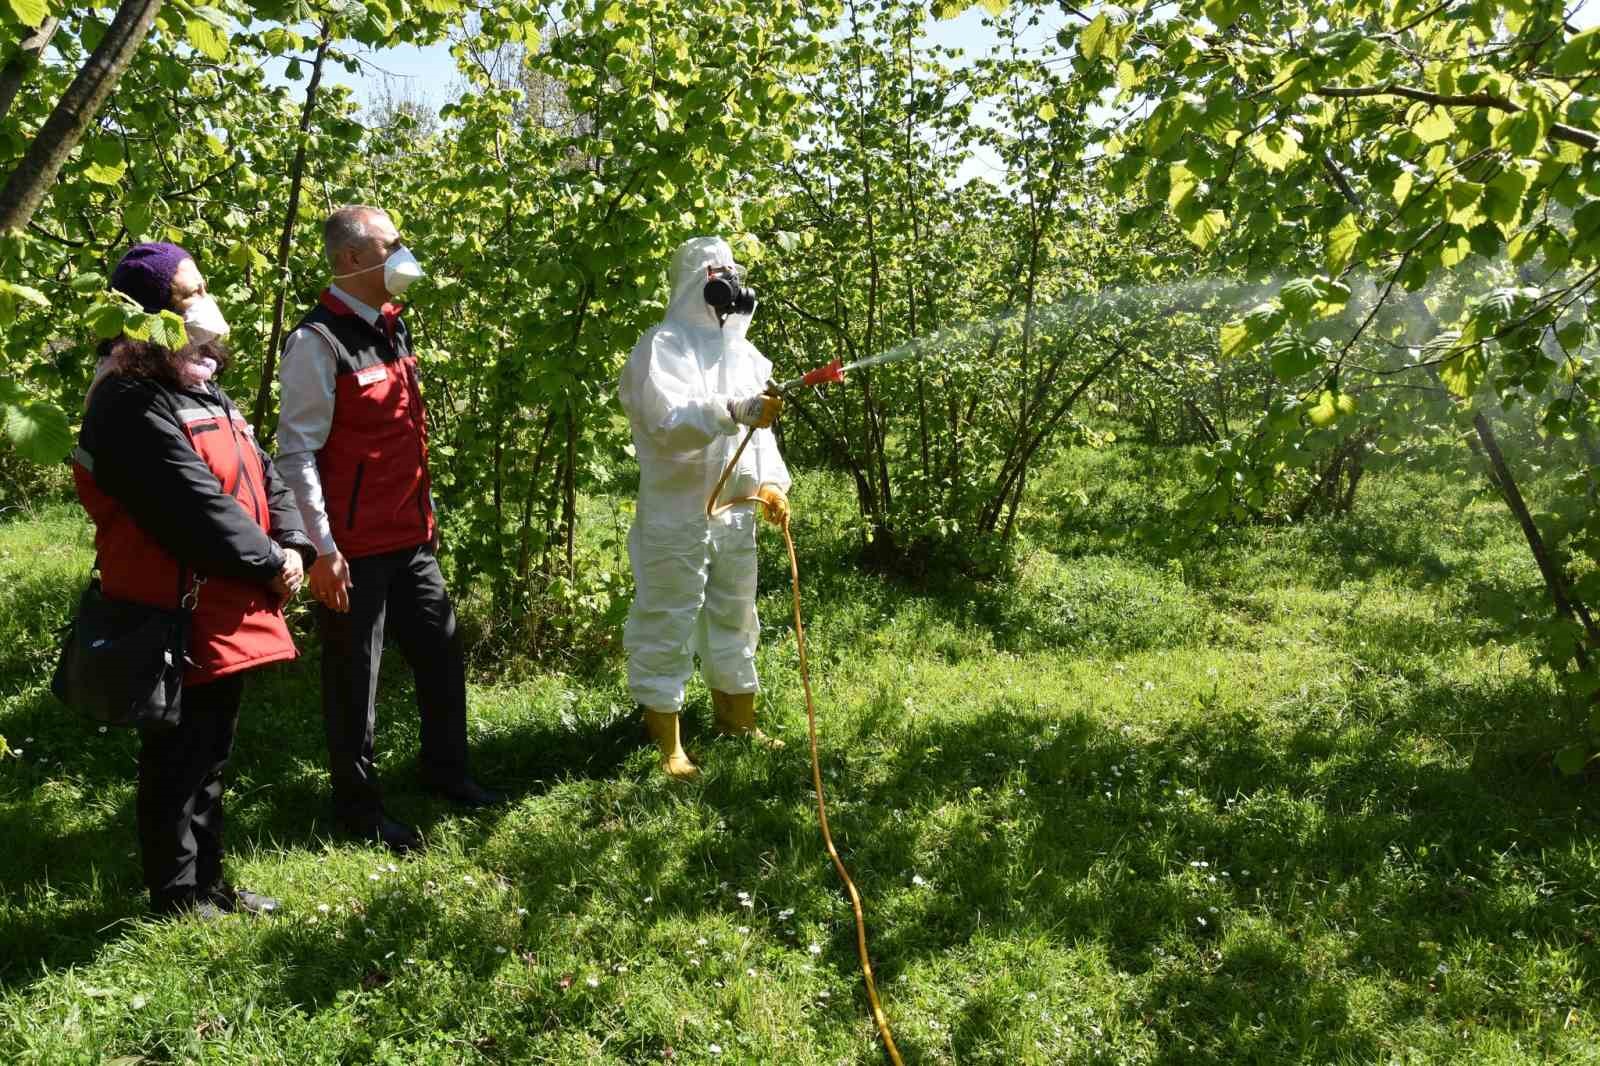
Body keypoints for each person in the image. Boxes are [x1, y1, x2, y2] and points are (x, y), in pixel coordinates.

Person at [72, 242, 315, 918]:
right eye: (189, 292)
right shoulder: (128, 398)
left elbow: (260, 468)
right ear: (149, 310)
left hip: (223, 600)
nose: (206, 301)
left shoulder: (196, 378)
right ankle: (177, 896)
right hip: (171, 610)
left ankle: (209, 883)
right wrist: (271, 562)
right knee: (178, 757)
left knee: (210, 751)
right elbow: (193, 507)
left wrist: (294, 542)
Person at [275, 205, 500, 853]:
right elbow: (297, 453)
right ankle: (359, 809)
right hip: (353, 549)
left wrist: (424, 520)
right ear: (352, 259)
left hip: (410, 536)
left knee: (441, 652)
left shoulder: (391, 326)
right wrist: (321, 548)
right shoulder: (317, 342)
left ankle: (446, 771)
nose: (404, 253)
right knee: (355, 681)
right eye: (391, 243)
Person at [618, 235, 792, 780]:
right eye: (719, 275)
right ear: (698, 281)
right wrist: (730, 409)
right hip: (677, 514)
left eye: (733, 274)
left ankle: (738, 721)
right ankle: (667, 743)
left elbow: (760, 434)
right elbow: (668, 424)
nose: (730, 287)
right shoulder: (662, 346)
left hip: (735, 512)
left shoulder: (743, 352)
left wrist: (771, 485)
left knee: (736, 614)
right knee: (668, 617)